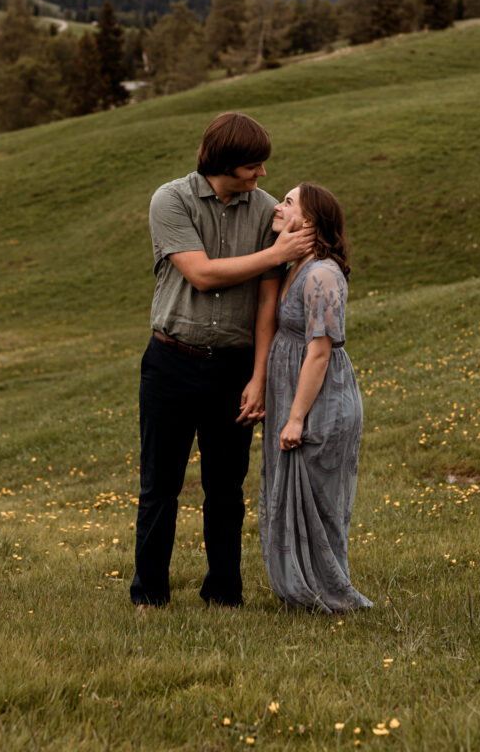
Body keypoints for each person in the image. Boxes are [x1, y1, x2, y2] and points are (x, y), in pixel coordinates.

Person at [130, 112, 314, 608]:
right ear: (226, 164)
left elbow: (266, 305)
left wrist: (258, 377)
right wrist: (276, 255)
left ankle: (224, 595)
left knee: (226, 490)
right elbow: (203, 275)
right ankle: (148, 596)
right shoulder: (171, 200)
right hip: (170, 360)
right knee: (159, 486)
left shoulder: (269, 211)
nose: (262, 175)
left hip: (233, 368)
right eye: (254, 166)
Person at [259, 182, 372, 613]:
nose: (277, 205)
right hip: (297, 395)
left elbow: (320, 352)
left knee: (320, 504)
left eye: (287, 202)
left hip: (321, 403)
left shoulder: (321, 273)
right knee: (291, 494)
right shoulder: (295, 266)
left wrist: (295, 418)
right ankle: (300, 590)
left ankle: (328, 593)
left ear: (308, 222)